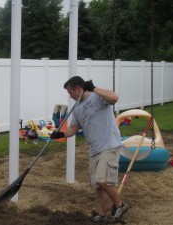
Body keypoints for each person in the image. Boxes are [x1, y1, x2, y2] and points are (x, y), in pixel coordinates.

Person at [50, 76, 128, 223]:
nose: (69, 96)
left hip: (109, 145)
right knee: (98, 185)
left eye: (70, 92)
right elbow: (73, 128)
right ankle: (101, 213)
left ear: (78, 89)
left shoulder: (97, 97)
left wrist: (94, 88)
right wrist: (60, 134)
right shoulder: (77, 108)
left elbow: (114, 97)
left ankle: (120, 205)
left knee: (102, 180)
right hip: (94, 149)